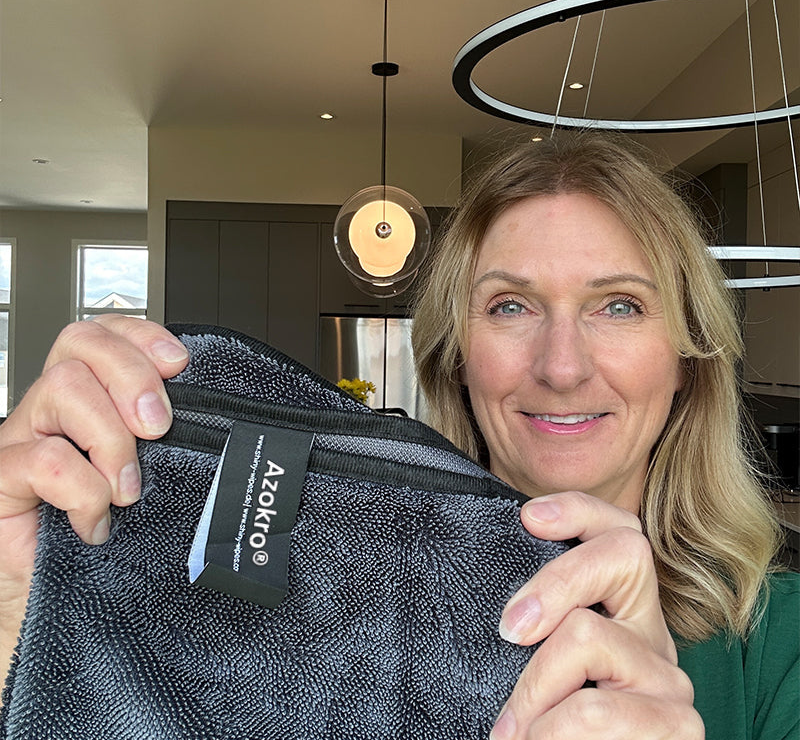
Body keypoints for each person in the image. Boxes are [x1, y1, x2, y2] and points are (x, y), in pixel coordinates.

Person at [0, 132, 797, 739]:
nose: (562, 366)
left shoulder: (782, 648)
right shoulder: (338, 608)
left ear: (689, 358)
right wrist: (13, 617)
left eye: (619, 305)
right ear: (457, 357)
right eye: (510, 305)